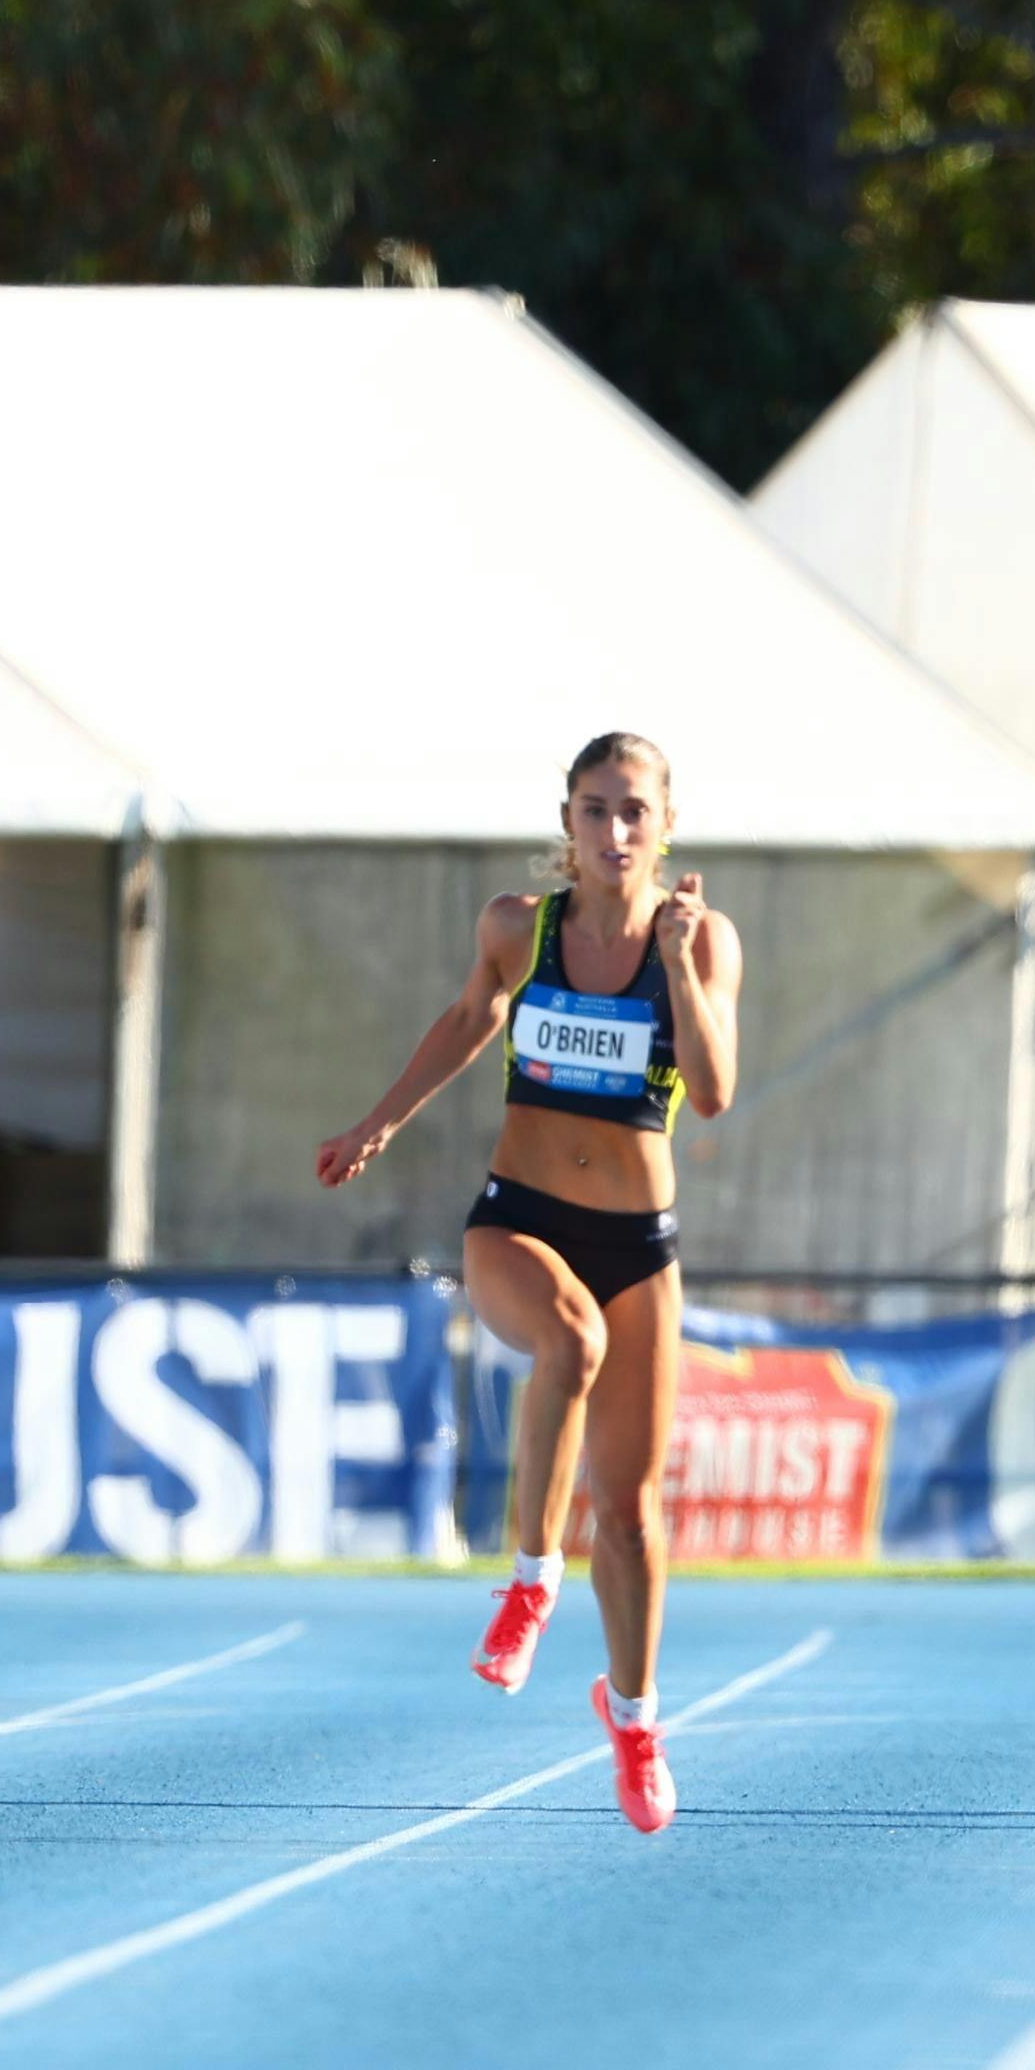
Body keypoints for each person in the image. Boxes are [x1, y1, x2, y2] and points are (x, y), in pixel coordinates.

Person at [316, 734, 743, 1835]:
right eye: (595, 811)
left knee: (635, 1511)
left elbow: (712, 1092)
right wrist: (376, 1121)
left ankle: (635, 1713)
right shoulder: (520, 926)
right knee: (567, 1341)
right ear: (568, 819)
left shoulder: (701, 939)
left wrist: (686, 965)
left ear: (664, 823)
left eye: (633, 812)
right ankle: (527, 1581)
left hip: (636, 1242)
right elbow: (469, 1019)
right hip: (518, 1218)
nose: (614, 833)